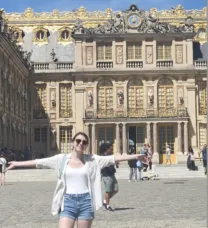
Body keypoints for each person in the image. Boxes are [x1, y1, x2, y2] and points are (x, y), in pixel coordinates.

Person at [6, 132, 145, 228]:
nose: (81, 143)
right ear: (72, 143)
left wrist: (136, 156)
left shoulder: (93, 160)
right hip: (67, 202)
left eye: (84, 142)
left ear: (86, 145)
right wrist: (17, 163)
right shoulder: (61, 159)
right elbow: (39, 162)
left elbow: (113, 158)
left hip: (86, 202)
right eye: (78, 141)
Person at [100, 143, 118, 211]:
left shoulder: (110, 156)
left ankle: (105, 201)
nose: (112, 150)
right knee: (108, 191)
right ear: (106, 149)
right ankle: (108, 205)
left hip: (112, 174)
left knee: (116, 190)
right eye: (111, 149)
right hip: (106, 175)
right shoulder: (102, 156)